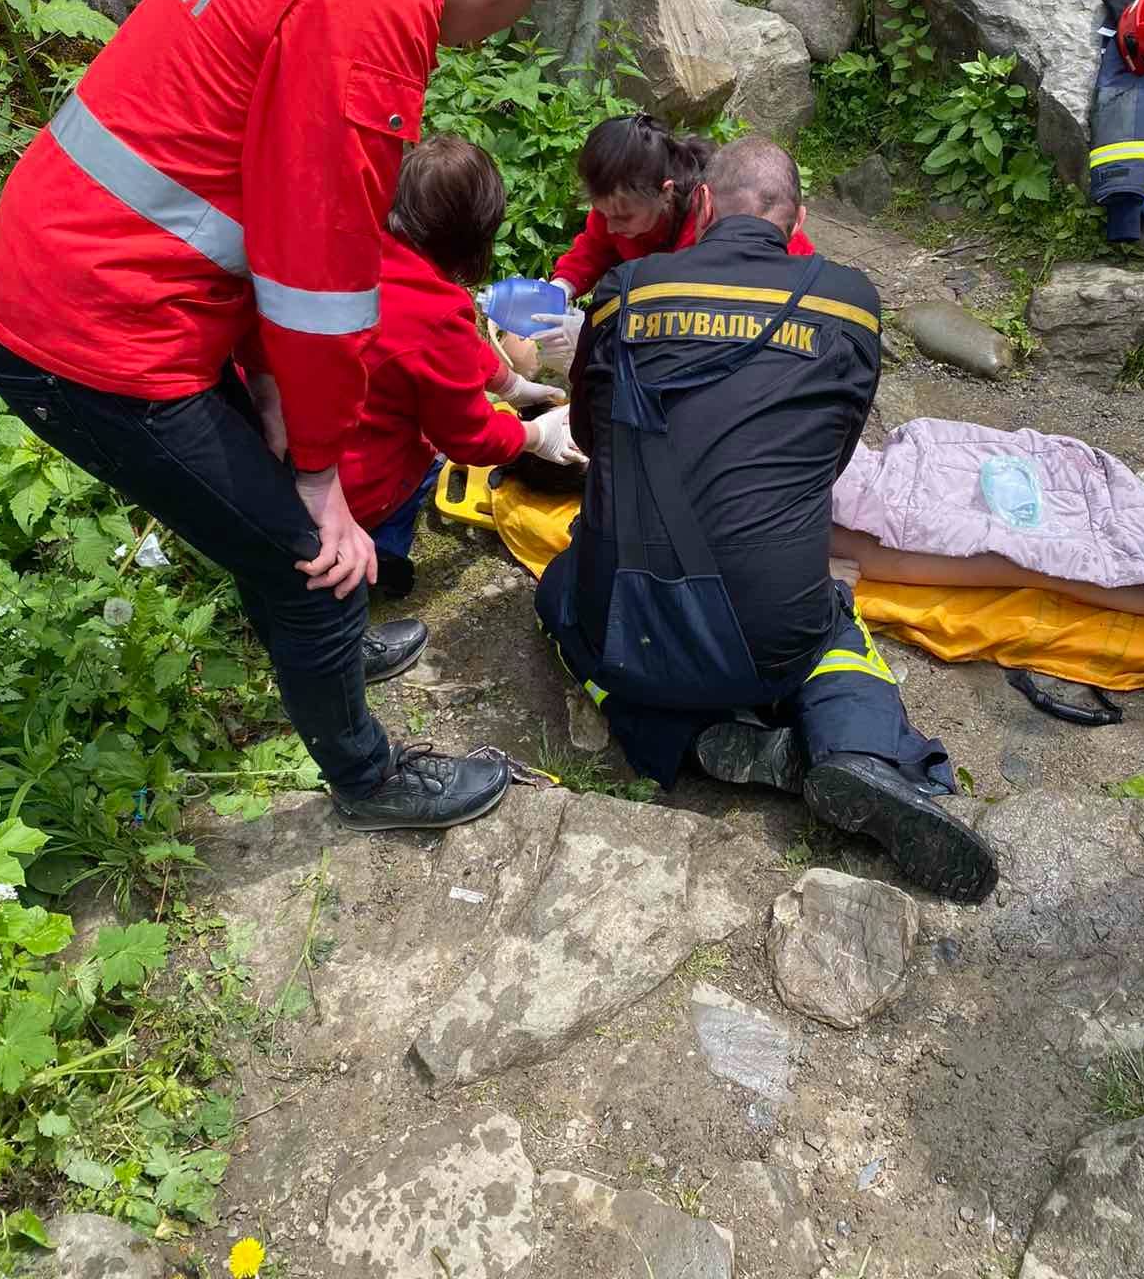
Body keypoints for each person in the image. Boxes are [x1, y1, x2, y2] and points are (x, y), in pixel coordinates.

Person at [0, 0, 588, 834]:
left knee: (285, 529)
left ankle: (332, 649)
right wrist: (320, 475)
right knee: (315, 558)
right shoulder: (375, 8)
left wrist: (267, 387)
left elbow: (252, 194)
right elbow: (319, 281)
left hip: (81, 267)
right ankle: (369, 779)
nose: (508, 26)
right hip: (96, 330)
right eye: (529, 4)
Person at [535, 136, 999, 905]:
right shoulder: (848, 302)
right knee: (830, 623)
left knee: (560, 590)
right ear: (798, 221)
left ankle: (691, 741)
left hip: (627, 625)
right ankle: (858, 748)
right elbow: (830, 456)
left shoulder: (625, 291)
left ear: (701, 204)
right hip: (768, 634)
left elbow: (588, 435)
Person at [339, 133, 584, 600]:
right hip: (355, 483)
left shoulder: (364, 247)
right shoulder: (435, 314)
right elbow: (469, 439)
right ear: (472, 240)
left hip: (296, 446)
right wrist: (536, 436)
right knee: (411, 485)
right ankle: (371, 565)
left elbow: (446, 349)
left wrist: (511, 385)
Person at [530, 113, 816, 372]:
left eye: (622, 217)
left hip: (775, 311)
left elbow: (679, 321)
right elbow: (593, 248)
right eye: (602, 213)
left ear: (665, 192)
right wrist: (561, 287)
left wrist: (597, 332)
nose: (610, 226)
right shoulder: (619, 207)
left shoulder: (708, 227)